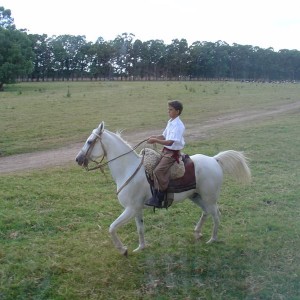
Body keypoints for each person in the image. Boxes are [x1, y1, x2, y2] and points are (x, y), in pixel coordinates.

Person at [146, 100, 185, 208]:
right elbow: (164, 136)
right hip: (165, 151)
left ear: (177, 111)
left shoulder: (178, 125)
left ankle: (160, 196)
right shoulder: (171, 121)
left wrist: (155, 140)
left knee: (158, 170)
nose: (168, 111)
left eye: (171, 110)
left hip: (172, 154)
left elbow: (170, 142)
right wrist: (153, 136)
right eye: (168, 109)